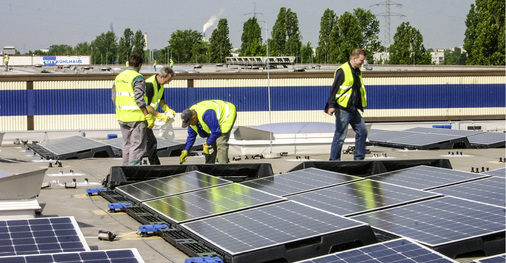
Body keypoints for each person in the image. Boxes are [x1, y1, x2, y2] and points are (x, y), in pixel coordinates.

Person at [325, 48, 368, 161]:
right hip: (342, 109)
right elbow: (333, 89)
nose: (363, 63)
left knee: (362, 131)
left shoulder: (357, 71)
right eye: (361, 60)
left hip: (353, 109)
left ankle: (359, 159)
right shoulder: (343, 70)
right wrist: (331, 105)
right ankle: (334, 161)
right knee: (340, 136)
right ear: (354, 58)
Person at [112, 54, 154, 165]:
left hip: (122, 117)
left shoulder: (119, 77)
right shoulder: (137, 77)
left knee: (126, 144)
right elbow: (139, 98)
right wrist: (147, 115)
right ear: (140, 65)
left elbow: (114, 98)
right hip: (136, 118)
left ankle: (125, 170)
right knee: (137, 145)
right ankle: (133, 170)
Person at [179, 100, 236, 164]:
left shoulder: (206, 114)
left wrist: (207, 144)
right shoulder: (190, 118)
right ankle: (209, 166)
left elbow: (216, 132)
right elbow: (191, 137)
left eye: (189, 123)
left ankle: (223, 167)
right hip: (214, 120)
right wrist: (186, 150)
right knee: (210, 144)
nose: (188, 125)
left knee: (220, 142)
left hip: (227, 115)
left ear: (194, 118)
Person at [144, 66, 177, 165]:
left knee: (147, 142)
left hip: (149, 117)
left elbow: (161, 101)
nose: (167, 83)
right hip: (143, 116)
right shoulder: (149, 84)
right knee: (151, 142)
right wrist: (160, 116)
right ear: (161, 76)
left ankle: (152, 164)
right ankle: (155, 165)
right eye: (167, 81)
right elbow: (146, 105)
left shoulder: (160, 85)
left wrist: (167, 109)